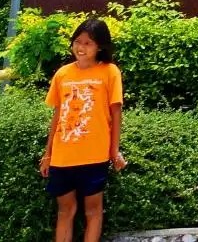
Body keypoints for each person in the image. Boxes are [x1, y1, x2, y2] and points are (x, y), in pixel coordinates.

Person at [37, 18, 127, 242]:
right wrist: (48, 154)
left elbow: (116, 113)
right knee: (65, 211)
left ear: (100, 47)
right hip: (63, 157)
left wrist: (114, 151)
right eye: (78, 41)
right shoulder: (62, 74)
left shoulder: (110, 72)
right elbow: (58, 115)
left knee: (93, 212)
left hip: (94, 155)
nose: (81, 47)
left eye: (88, 43)